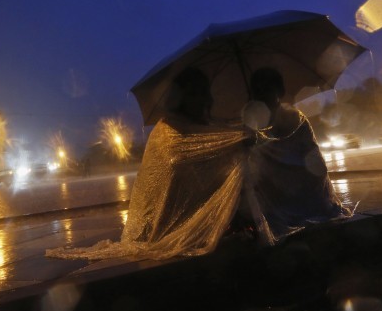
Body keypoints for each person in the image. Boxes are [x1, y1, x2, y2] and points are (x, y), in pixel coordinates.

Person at [47, 67, 248, 260]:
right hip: (166, 225)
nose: (204, 101)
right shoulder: (168, 131)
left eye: (205, 93)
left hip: (195, 216)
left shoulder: (201, 128)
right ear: (180, 98)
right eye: (195, 94)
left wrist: (239, 143)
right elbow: (182, 166)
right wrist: (234, 143)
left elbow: (214, 157)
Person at [238, 67, 350, 244]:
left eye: (267, 89)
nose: (262, 95)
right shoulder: (251, 123)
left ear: (279, 92)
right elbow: (253, 165)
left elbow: (312, 159)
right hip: (275, 195)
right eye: (257, 91)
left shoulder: (294, 117)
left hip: (304, 189)